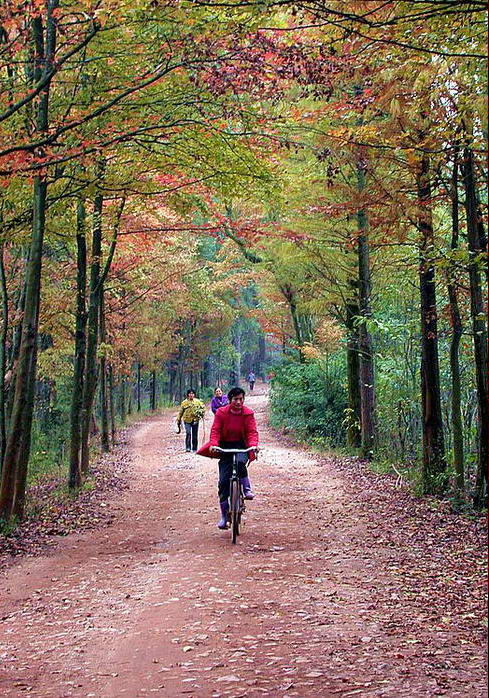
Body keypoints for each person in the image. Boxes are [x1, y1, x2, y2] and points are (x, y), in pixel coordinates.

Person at [197, 387, 259, 529]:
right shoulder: (221, 412)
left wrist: (254, 445)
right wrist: (213, 444)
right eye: (236, 399)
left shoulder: (248, 413)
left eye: (241, 399)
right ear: (229, 400)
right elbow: (216, 430)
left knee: (240, 462)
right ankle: (224, 516)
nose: (238, 402)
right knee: (224, 482)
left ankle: (247, 488)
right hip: (225, 446)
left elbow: (252, 432)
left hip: (241, 445)